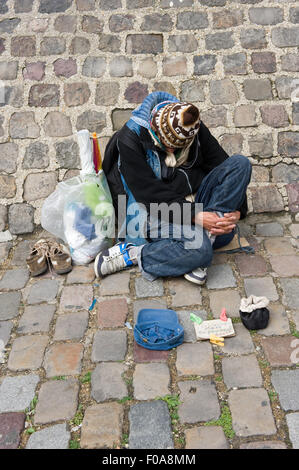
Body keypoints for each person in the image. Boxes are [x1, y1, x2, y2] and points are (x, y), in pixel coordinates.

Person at [95, 91, 252, 285]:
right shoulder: (130, 139)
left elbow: (219, 163)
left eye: (177, 148)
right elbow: (148, 194)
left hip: (190, 202)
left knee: (240, 164)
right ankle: (135, 254)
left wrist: (237, 211)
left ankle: (209, 234)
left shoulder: (192, 128)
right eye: (167, 146)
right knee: (202, 249)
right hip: (153, 210)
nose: (171, 151)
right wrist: (196, 216)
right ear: (155, 127)